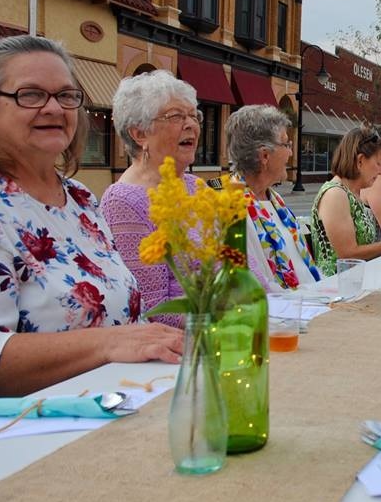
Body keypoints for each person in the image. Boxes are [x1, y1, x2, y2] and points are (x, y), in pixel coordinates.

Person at [0, 35, 181, 404]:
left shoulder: (79, 198)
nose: (54, 108)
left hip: (115, 406)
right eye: (30, 95)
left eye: (66, 96)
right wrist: (107, 344)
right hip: (18, 436)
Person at [100, 70, 273, 327]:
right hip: (194, 347)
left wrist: (267, 300)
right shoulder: (123, 202)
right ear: (139, 134)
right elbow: (153, 309)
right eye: (176, 116)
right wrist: (231, 318)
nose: (191, 124)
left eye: (194, 115)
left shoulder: (195, 186)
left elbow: (237, 260)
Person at [224, 105, 321, 289]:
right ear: (265, 155)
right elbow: (251, 285)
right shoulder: (232, 208)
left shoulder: (274, 200)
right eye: (286, 144)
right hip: (282, 311)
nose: (291, 153)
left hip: (310, 301)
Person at [310, 128, 381, 276]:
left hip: (358, 278)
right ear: (360, 161)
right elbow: (347, 254)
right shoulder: (335, 194)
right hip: (337, 284)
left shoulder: (353, 193)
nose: (380, 171)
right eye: (378, 163)